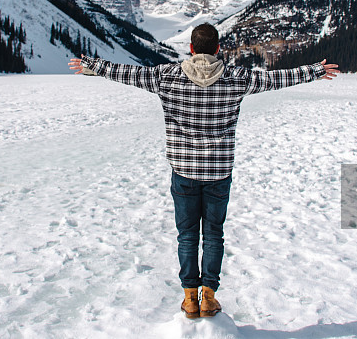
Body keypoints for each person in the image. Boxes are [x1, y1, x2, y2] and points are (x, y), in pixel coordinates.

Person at [68, 23, 338, 319]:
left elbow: (128, 73)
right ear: (218, 49)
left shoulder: (166, 76)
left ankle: (190, 299)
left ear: (192, 49)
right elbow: (275, 79)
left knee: (187, 236)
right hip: (218, 172)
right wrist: (314, 70)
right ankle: (208, 297)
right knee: (213, 235)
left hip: (184, 171)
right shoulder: (236, 78)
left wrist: (93, 65)